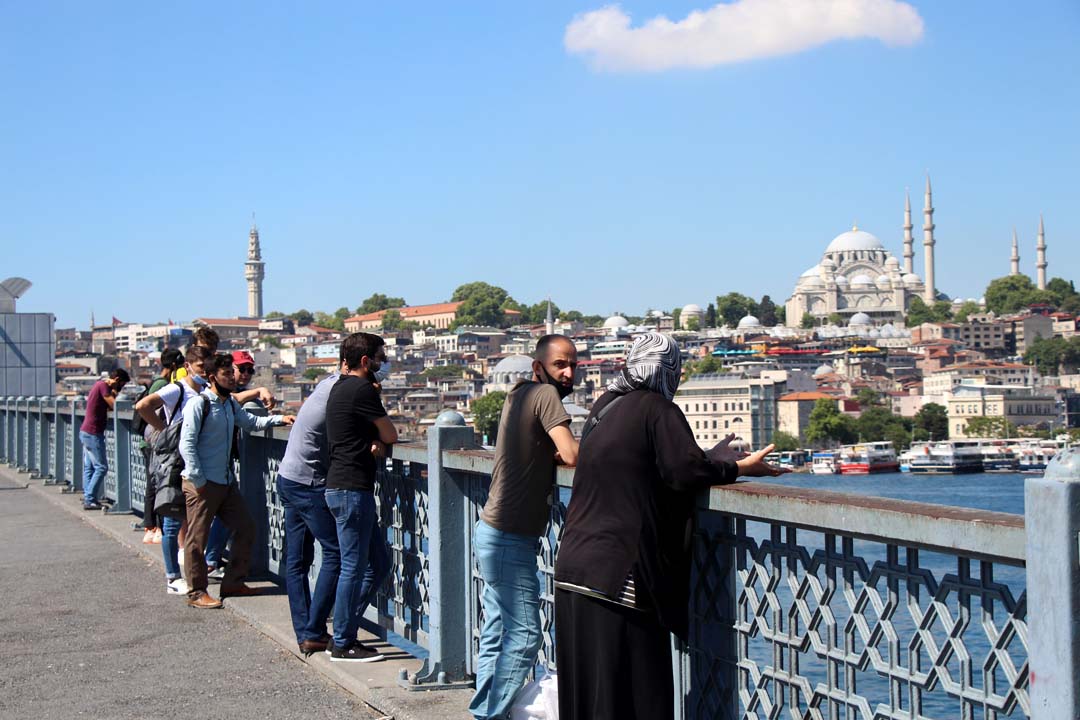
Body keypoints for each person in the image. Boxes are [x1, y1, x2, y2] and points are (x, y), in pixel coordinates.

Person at [552, 332, 788, 720]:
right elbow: (683, 473)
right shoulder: (657, 409)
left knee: (588, 696)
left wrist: (706, 457)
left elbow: (652, 463)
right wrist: (739, 467)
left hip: (574, 566)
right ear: (668, 370)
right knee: (637, 695)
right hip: (619, 577)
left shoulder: (604, 407)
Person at [469, 334, 580, 720]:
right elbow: (571, 454)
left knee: (498, 630)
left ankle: (486, 710)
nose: (568, 373)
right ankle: (488, 714)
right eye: (559, 365)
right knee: (527, 634)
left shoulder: (516, 395)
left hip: (492, 530)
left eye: (572, 365)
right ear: (538, 367)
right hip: (509, 537)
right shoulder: (544, 395)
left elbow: (538, 445)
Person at [277, 358, 391, 657]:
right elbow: (358, 432)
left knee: (297, 561)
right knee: (339, 555)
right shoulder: (349, 392)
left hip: (289, 476)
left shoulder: (328, 384)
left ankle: (311, 632)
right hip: (312, 481)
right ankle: (325, 632)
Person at [179, 353, 295, 609]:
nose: (233, 378)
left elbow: (250, 422)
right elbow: (186, 444)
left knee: (246, 528)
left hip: (224, 480)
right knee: (197, 539)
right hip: (203, 483)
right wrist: (198, 479)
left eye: (232, 374)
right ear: (212, 378)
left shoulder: (229, 404)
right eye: (227, 374)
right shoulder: (200, 404)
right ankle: (196, 591)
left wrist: (278, 419)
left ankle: (232, 582)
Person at [324, 332, 396, 662]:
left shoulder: (340, 387)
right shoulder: (361, 388)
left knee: (379, 563)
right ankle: (342, 641)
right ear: (365, 361)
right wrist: (380, 441)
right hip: (352, 488)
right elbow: (390, 433)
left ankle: (344, 626)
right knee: (354, 567)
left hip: (342, 486)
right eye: (380, 357)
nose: (384, 363)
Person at [135, 345, 213, 595]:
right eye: (201, 366)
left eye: (207, 366)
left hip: (196, 460)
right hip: (175, 462)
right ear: (188, 366)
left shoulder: (206, 390)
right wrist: (163, 430)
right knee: (172, 520)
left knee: (193, 519)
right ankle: (172, 576)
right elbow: (143, 406)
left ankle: (189, 571)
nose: (205, 371)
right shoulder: (177, 389)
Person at [140, 348, 184, 544]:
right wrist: (165, 430)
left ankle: (154, 526)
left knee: (156, 483)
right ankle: (152, 526)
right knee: (156, 484)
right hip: (157, 441)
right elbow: (146, 407)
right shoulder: (163, 384)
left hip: (156, 440)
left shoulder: (162, 382)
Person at [79, 368, 130, 510]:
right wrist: (117, 395)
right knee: (101, 467)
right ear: (117, 380)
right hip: (93, 433)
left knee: (89, 467)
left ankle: (89, 497)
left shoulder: (99, 385)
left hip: (86, 431)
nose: (121, 388)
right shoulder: (103, 386)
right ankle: (89, 499)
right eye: (122, 385)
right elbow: (114, 404)